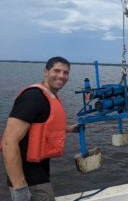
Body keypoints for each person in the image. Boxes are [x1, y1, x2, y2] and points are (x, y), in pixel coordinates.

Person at [1, 56, 78, 201]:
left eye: (65, 72)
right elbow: (8, 142)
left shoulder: (49, 96)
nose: (61, 76)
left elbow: (44, 127)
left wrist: (71, 129)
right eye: (57, 71)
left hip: (38, 173)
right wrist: (20, 188)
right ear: (46, 71)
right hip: (28, 179)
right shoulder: (33, 98)